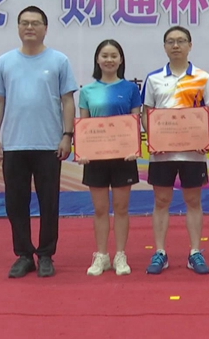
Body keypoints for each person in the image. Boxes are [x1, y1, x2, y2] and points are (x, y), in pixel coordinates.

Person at [0, 5, 78, 278]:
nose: (29, 27)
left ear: (45, 28)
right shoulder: (5, 62)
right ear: (18, 27)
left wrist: (67, 136)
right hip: (14, 144)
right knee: (16, 203)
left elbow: (67, 101)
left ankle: (46, 254)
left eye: (35, 23)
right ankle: (24, 254)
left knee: (49, 202)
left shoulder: (59, 60)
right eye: (24, 23)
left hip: (49, 144)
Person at [141, 26, 209, 275]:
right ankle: (160, 252)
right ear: (164, 47)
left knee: (193, 201)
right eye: (171, 41)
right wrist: (155, 138)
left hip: (193, 152)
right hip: (162, 152)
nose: (176, 45)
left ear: (190, 45)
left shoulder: (203, 78)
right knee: (161, 201)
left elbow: (208, 113)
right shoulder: (153, 79)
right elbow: (146, 113)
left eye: (181, 41)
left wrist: (202, 136)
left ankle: (195, 252)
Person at [78, 40, 142, 276]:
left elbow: (135, 123)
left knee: (122, 209)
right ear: (97, 59)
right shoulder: (87, 91)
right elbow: (83, 125)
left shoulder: (131, 89)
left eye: (114, 55)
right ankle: (102, 256)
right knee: (100, 209)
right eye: (104, 55)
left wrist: (134, 148)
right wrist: (82, 151)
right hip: (95, 159)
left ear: (121, 60)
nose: (109, 60)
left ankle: (120, 255)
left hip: (124, 157)